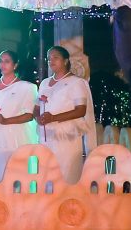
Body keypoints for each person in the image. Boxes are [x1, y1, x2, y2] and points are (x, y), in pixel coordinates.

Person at [0, 49, 39, 183]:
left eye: (7, 61)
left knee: (18, 178)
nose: (2, 64)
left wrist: (6, 120)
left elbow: (29, 115)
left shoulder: (27, 87)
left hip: (17, 138)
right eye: (0, 61)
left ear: (15, 65)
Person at [37, 46, 91, 183]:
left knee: (65, 176)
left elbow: (80, 110)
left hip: (67, 137)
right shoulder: (44, 83)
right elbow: (37, 107)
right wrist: (37, 117)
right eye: (48, 58)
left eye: (55, 57)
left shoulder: (76, 82)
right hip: (46, 138)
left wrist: (53, 118)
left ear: (66, 61)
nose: (51, 60)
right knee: (46, 176)